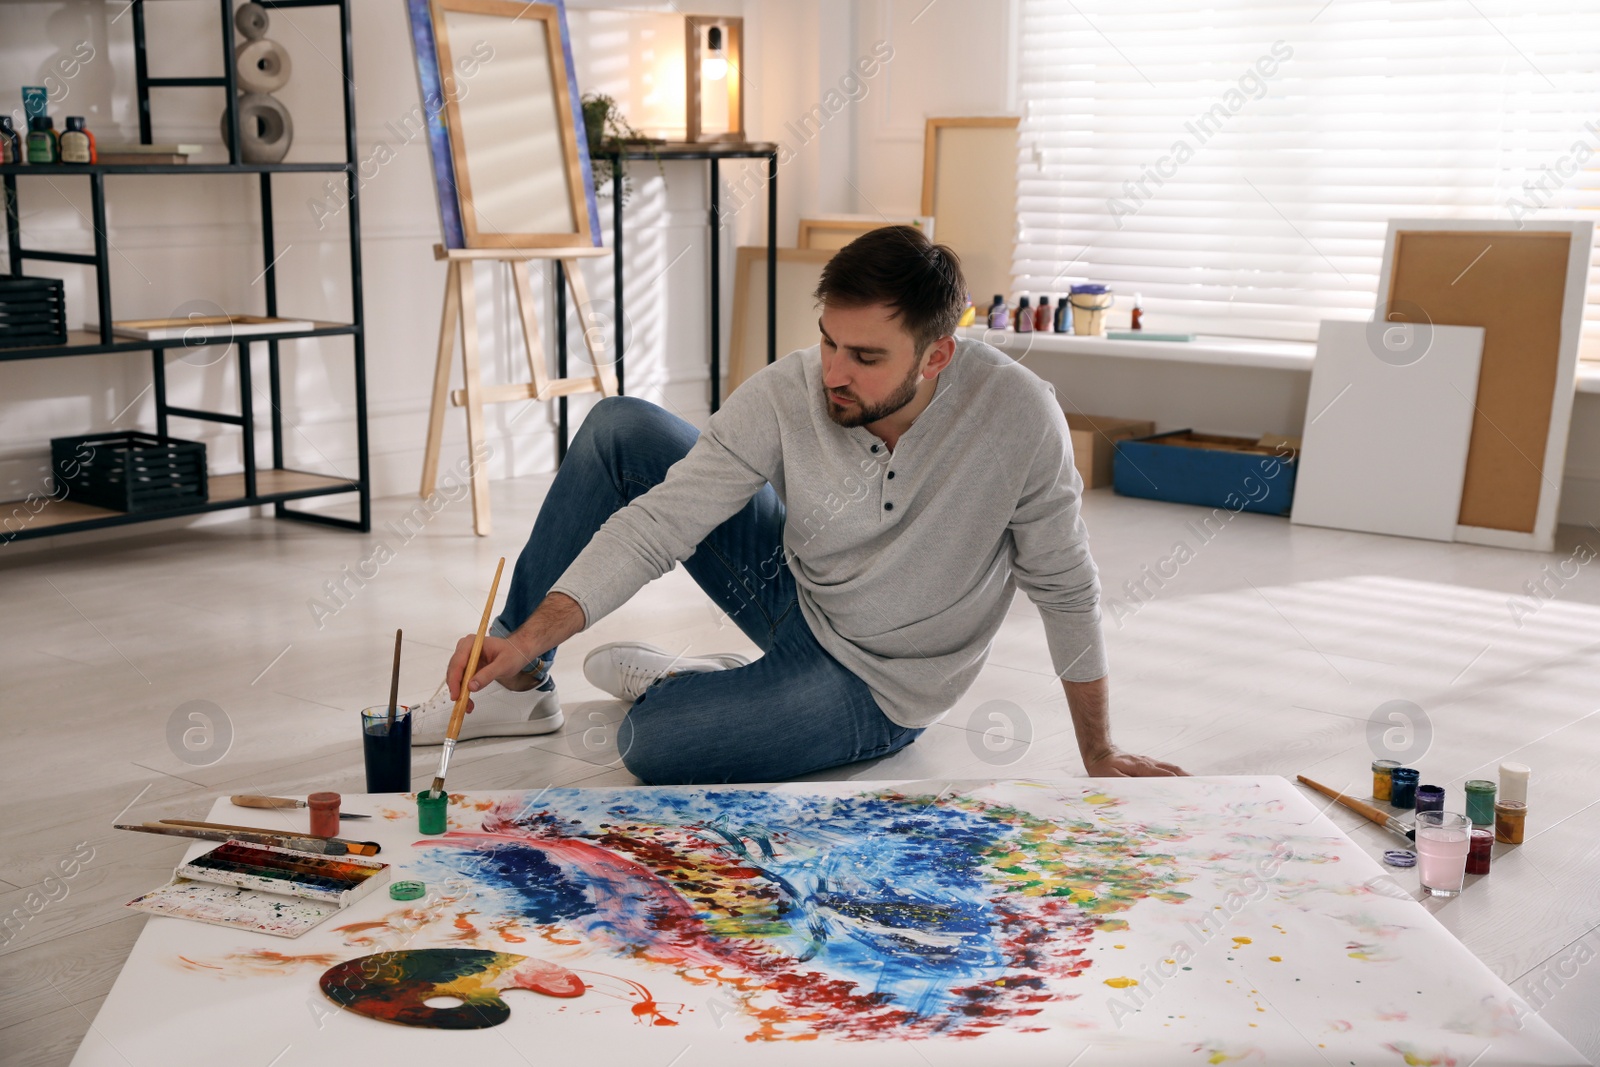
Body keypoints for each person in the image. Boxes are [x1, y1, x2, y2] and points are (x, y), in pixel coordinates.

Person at [415, 225, 1187, 784]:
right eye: (829, 342)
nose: (834, 373)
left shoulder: (1017, 415)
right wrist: (525, 637)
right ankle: (519, 685)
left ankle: (701, 686)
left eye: (866, 356)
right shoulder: (796, 388)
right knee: (621, 428)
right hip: (795, 590)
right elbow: (661, 522)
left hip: (875, 685)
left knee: (653, 742)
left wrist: (1099, 750)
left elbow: (1065, 587)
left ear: (938, 354)